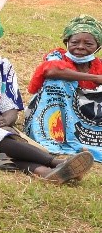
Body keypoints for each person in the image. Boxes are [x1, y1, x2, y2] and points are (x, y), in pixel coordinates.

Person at [0, 14, 93, 182]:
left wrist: (4, 120)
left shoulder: (1, 66)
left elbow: (10, 108)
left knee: (5, 144)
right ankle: (57, 162)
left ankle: (46, 172)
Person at [23, 15, 102, 162]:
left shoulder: (99, 65)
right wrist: (96, 79)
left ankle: (86, 141)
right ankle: (52, 138)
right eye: (75, 42)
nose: (80, 47)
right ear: (67, 42)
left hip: (87, 120)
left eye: (88, 44)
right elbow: (51, 71)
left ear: (98, 47)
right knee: (57, 82)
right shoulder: (57, 56)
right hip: (56, 115)